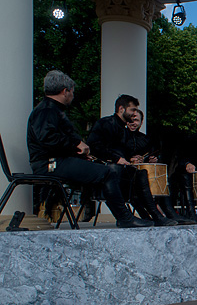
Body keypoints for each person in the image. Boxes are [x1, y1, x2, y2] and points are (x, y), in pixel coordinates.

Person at [26, 70, 151, 228]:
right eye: (72, 92)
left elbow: (52, 140)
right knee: (107, 173)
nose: (73, 96)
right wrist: (76, 145)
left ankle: (130, 215)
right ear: (65, 91)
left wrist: (79, 152)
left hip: (55, 161)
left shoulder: (50, 109)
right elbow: (47, 139)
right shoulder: (47, 110)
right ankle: (125, 217)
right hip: (50, 164)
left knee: (108, 171)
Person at [87, 94, 178, 226]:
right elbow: (94, 146)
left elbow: (125, 152)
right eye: (132, 110)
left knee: (140, 174)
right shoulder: (106, 123)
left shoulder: (124, 131)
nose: (134, 113)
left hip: (120, 171)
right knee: (118, 171)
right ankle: (126, 217)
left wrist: (135, 158)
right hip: (105, 171)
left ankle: (155, 215)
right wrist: (117, 159)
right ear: (121, 109)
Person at [125, 109, 195, 225]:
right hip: (126, 176)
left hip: (144, 175)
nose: (133, 123)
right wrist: (129, 159)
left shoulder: (145, 139)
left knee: (160, 170)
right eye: (130, 120)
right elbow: (116, 153)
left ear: (141, 122)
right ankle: (158, 213)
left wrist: (150, 159)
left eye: (136, 120)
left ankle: (168, 209)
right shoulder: (121, 136)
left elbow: (150, 154)